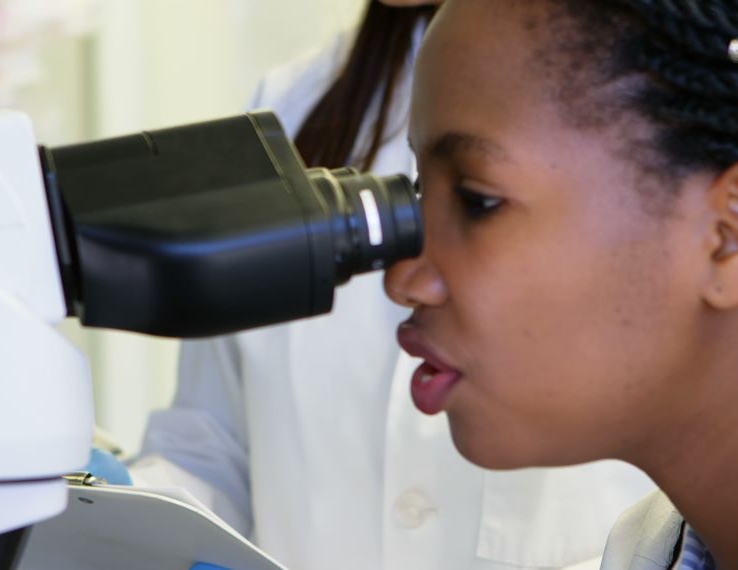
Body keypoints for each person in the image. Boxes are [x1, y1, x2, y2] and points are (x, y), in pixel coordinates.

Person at [132, 2, 654, 569]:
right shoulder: (291, 106)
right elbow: (213, 445)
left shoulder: (644, 87)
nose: (403, 284)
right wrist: (101, 513)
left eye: (481, 202)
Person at [385, 0, 738, 567]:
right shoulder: (644, 550)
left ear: (732, 234)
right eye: (421, 193)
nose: (405, 279)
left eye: (477, 201)